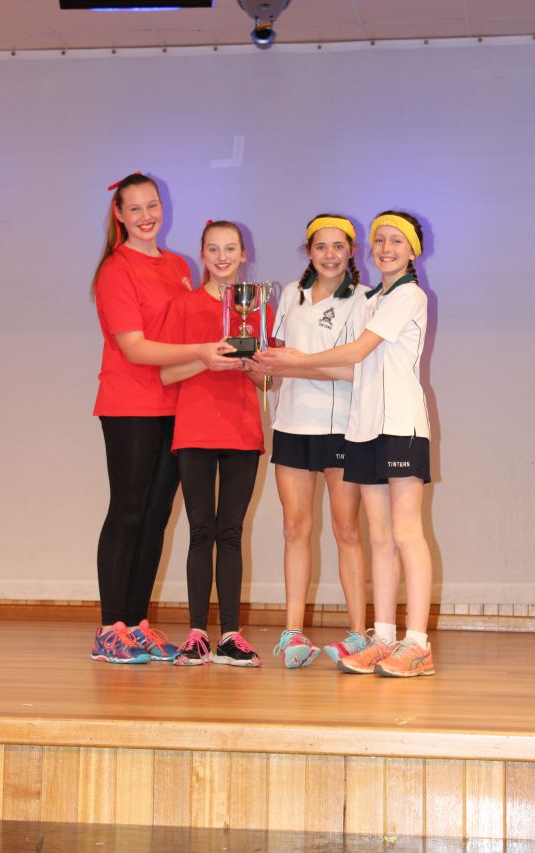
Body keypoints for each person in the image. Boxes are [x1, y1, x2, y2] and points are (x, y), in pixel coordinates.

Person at [256, 211, 435, 678]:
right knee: (379, 536)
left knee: (406, 533)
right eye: (381, 240)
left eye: (397, 241)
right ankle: (383, 638)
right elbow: (350, 368)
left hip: (400, 426)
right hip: (364, 429)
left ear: (413, 251)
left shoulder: (407, 295)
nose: (387, 248)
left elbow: (355, 354)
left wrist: (297, 360)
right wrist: (276, 365)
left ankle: (418, 644)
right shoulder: (374, 300)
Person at [91, 174, 234, 664]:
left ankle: (135, 625)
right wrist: (201, 351)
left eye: (152, 205)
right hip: (129, 405)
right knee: (128, 510)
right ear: (120, 215)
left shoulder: (178, 266)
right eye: (135, 209)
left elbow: (191, 326)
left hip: (177, 405)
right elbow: (134, 347)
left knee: (156, 516)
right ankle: (109, 629)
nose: (146, 216)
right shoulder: (115, 269)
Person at [161, 220, 272, 667]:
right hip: (195, 430)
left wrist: (252, 367)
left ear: (243, 254)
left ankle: (229, 635)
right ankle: (196, 634)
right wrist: (207, 359)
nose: (222, 257)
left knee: (231, 533)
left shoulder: (257, 307)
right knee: (200, 531)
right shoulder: (184, 305)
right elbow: (167, 372)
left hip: (242, 431)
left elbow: (268, 379)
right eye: (213, 249)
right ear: (202, 254)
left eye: (230, 249)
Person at [263, 214, 370, 669]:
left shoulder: (366, 299)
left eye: (338, 246)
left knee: (348, 531)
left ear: (351, 251)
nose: (330, 255)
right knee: (295, 529)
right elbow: (275, 361)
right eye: (321, 246)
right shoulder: (291, 294)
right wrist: (257, 364)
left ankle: (359, 634)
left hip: (344, 426)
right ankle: (292, 633)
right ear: (309, 251)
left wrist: (298, 363)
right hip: (292, 424)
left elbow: (356, 370)